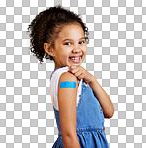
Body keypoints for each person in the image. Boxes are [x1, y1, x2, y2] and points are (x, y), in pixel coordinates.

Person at [28, 5, 114, 148]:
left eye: (81, 42)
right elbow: (68, 134)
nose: (77, 49)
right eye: (68, 43)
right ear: (50, 49)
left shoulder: (78, 78)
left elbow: (109, 112)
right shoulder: (67, 79)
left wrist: (92, 80)